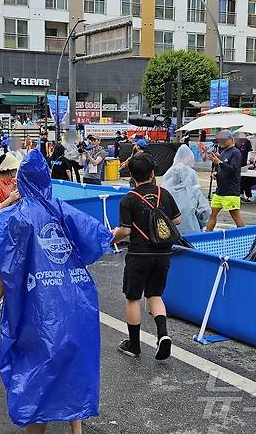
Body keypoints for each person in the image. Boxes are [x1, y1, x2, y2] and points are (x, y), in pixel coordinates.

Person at [0, 150, 112, 433]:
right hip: (76, 304)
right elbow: (98, 238)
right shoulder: (62, 210)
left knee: (37, 379)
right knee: (72, 365)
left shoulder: (16, 218)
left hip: (38, 313)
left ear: (20, 181)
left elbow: (3, 274)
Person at [111, 154, 181, 359]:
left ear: (131, 175)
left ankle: (134, 345)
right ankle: (163, 335)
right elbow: (177, 220)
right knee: (155, 295)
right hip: (163, 253)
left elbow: (124, 231)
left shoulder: (129, 199)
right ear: (152, 173)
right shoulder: (164, 194)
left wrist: (110, 240)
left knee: (133, 298)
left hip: (139, 254)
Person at [162, 145, 210, 234]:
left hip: (170, 234)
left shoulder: (164, 191)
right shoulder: (193, 191)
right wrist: (201, 224)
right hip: (192, 233)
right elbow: (205, 211)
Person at [206, 130, 245, 231]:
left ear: (231, 139)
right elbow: (222, 168)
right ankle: (207, 235)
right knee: (212, 214)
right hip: (220, 190)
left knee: (235, 216)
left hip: (231, 191)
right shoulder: (223, 152)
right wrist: (216, 173)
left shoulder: (236, 153)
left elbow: (234, 170)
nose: (221, 142)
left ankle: (244, 235)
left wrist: (219, 163)